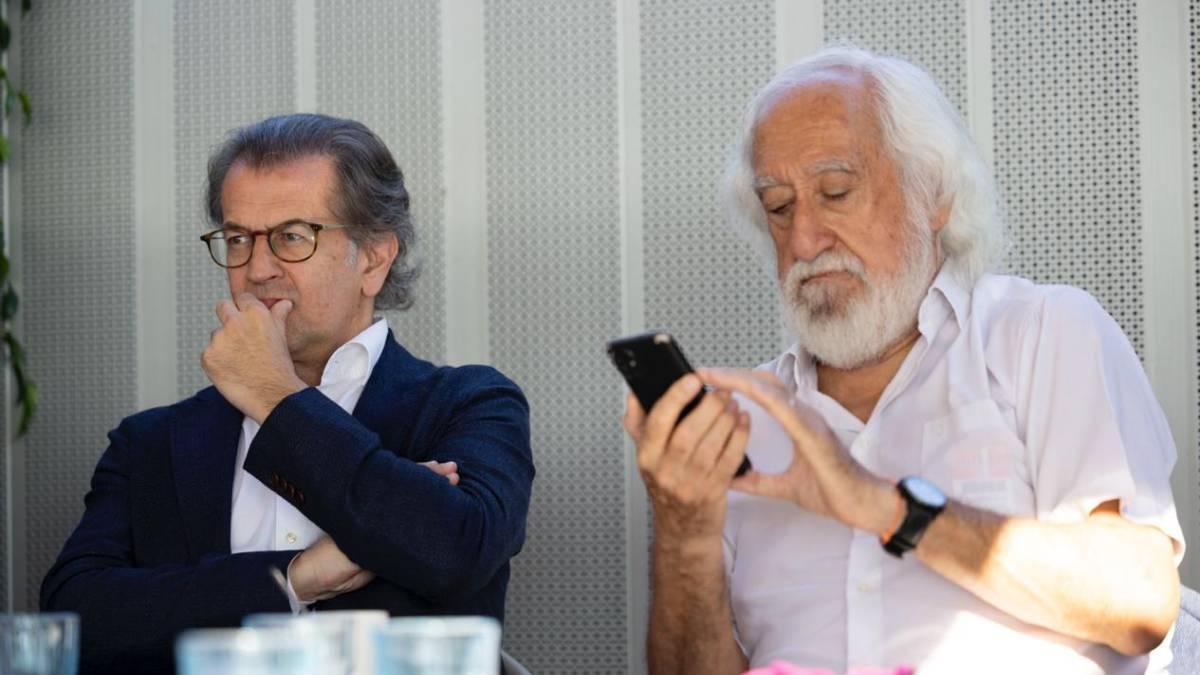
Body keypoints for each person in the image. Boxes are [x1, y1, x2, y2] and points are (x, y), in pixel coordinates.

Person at [625, 47, 1184, 675]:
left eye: (835, 192)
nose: (805, 240)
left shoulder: (1039, 334)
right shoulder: (748, 421)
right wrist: (685, 529)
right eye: (779, 207)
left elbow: (1140, 602)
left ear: (934, 194)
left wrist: (883, 503)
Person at [41, 114, 534, 674]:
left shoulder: (468, 404)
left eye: (291, 237)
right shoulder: (150, 442)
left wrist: (275, 397)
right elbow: (74, 621)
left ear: (373, 257)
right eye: (237, 239)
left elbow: (456, 552)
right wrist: (295, 578)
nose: (256, 269)